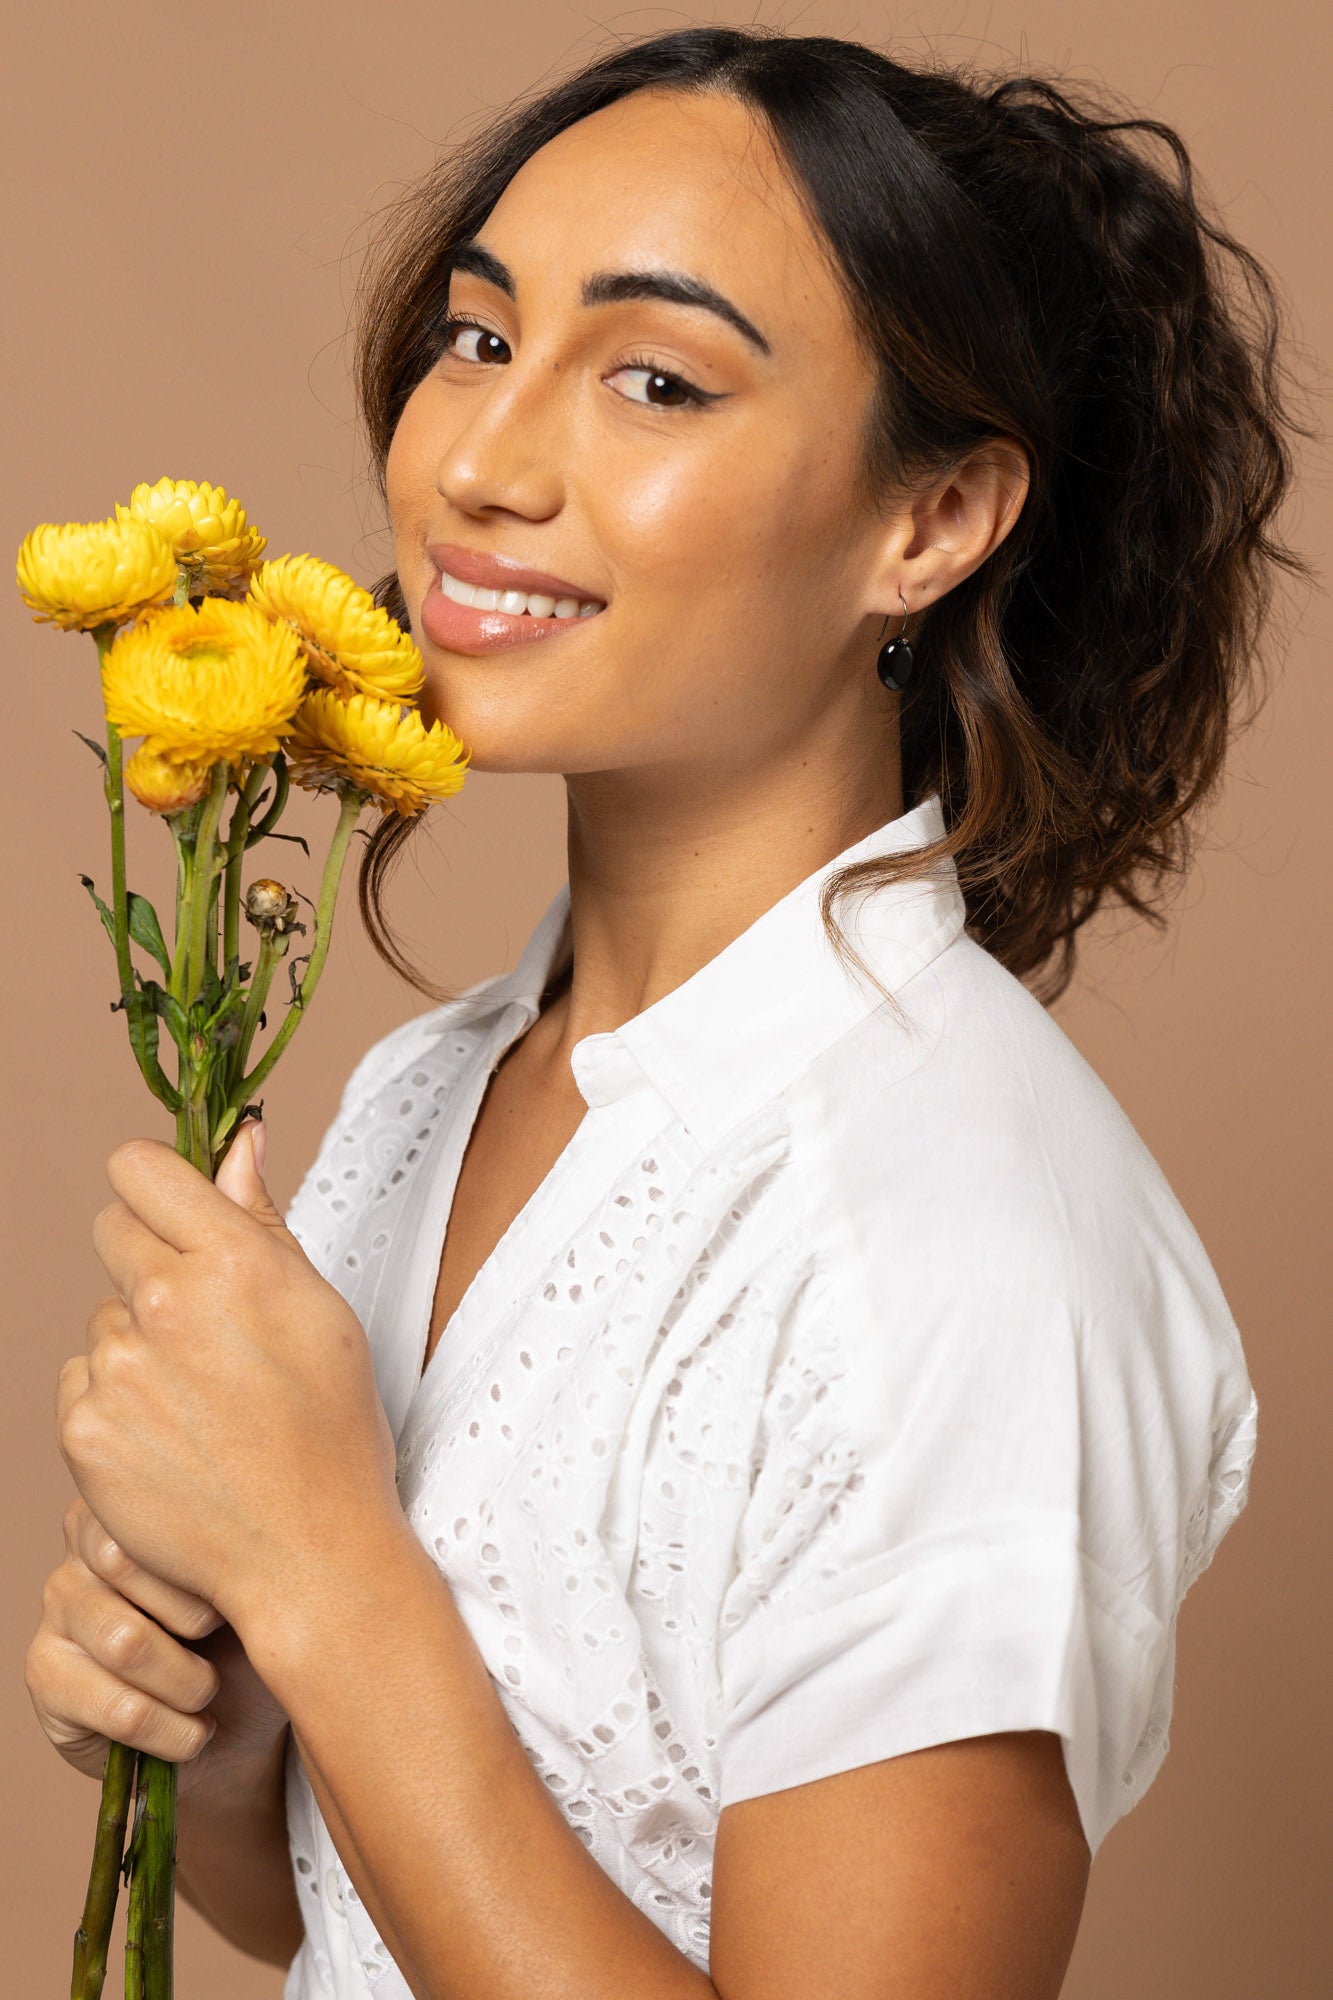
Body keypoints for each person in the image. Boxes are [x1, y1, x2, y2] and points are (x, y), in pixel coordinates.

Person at [27, 25, 1305, 2000]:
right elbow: (360, 1928)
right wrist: (225, 1742)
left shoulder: (958, 1242)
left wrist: (321, 1571)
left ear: (931, 520)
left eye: (652, 378)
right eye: (474, 337)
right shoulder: (421, 1088)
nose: (477, 462)